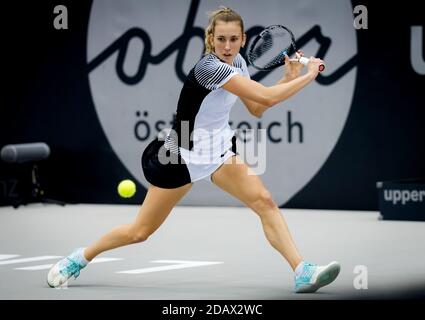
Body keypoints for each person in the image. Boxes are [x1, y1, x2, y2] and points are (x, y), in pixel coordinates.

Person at [47, 6, 340, 293]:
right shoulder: (208, 68)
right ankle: (79, 257)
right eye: (221, 39)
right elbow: (267, 98)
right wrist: (309, 75)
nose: (227, 46)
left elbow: (256, 108)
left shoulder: (238, 62)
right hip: (180, 156)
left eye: (234, 39)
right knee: (140, 232)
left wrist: (288, 77)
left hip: (219, 151)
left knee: (264, 201)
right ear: (211, 38)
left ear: (243, 40)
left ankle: (302, 272)